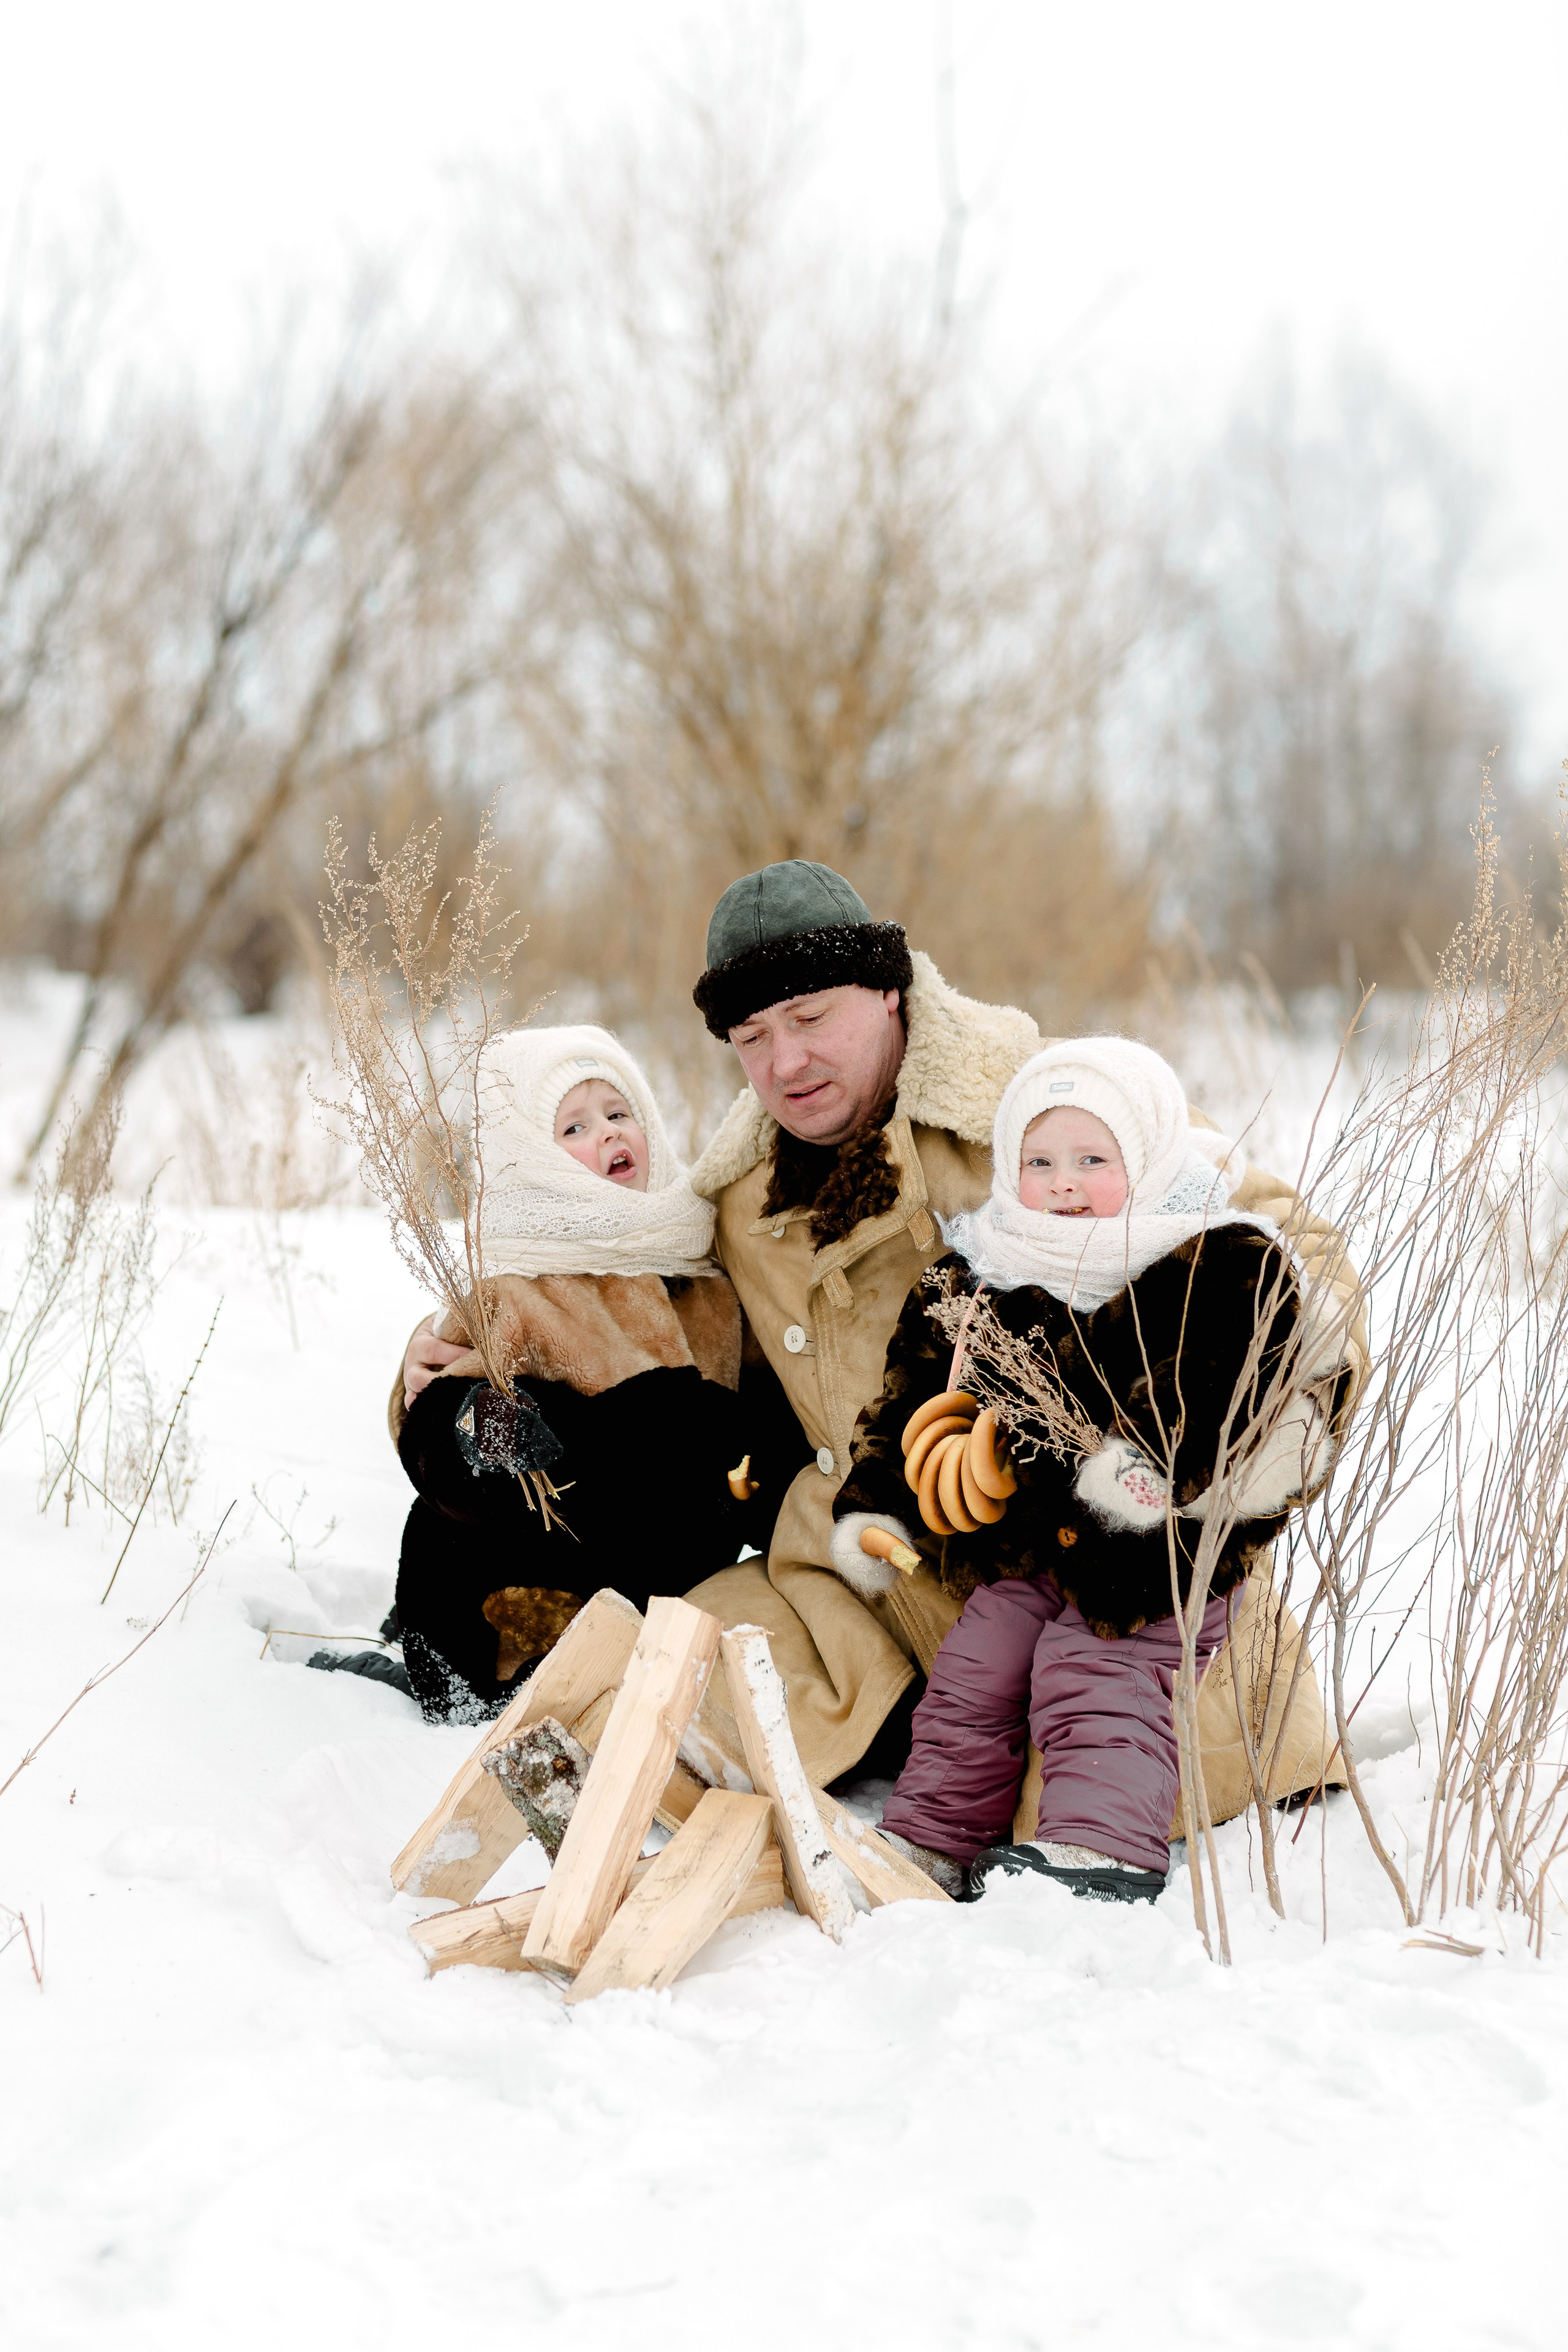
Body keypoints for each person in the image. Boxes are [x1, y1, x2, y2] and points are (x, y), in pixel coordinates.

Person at [396, 860, 1365, 1798]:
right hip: (844, 1587)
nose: (785, 1062)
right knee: (633, 1697)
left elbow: (1289, 1247)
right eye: (752, 1036)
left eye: (812, 1018)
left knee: (1096, 1779)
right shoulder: (736, 1198)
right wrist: (445, 1371)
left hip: (1093, 1571)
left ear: (889, 990)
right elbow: (601, 1295)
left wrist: (1244, 1439)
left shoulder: (1044, 1109)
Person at [827, 1036, 1353, 1902]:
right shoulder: (982, 1272)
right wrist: (879, 1500)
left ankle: (1097, 1853)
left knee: (1096, 1659)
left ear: (1144, 1159)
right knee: (979, 1659)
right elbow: (914, 1397)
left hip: (1159, 1548)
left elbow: (1223, 1385)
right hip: (1030, 1540)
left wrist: (1147, 1468)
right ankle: (930, 1840)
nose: (1062, 1182)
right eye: (1038, 1160)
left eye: (1091, 1159)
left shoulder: (1214, 1259)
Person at [383, 1024, 801, 1721]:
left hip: (663, 1582)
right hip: (518, 1587)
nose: (608, 1135)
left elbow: (753, 1412)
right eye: (573, 1127)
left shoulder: (698, 1272)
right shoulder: (517, 1285)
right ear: (528, 1159)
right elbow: (436, 1421)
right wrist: (487, 1425)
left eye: (618, 1112)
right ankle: (458, 1673)